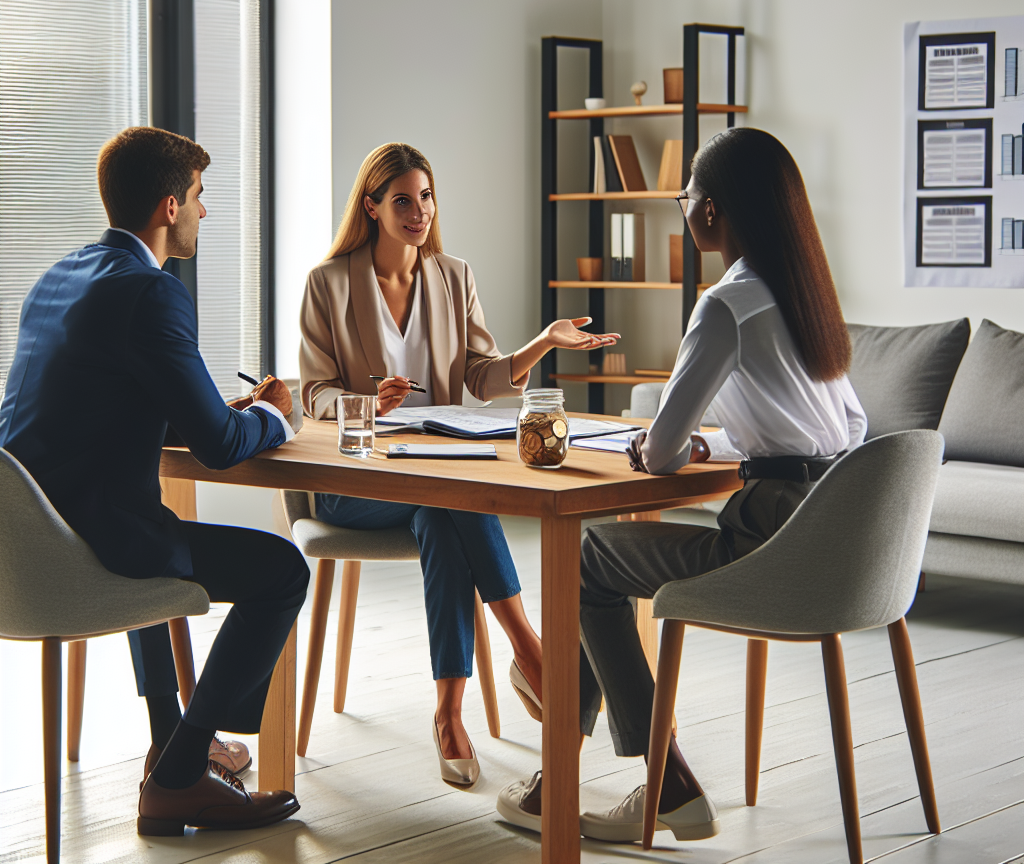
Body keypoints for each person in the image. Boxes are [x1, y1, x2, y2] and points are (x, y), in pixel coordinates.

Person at [496, 127, 867, 842]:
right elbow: (843, 428)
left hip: (768, 538)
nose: (683, 206)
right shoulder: (806, 293)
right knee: (593, 567)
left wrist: (666, 444)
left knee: (581, 558)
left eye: (686, 194)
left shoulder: (724, 305)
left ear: (711, 212)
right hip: (834, 536)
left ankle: (664, 782)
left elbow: (660, 453)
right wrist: (716, 442)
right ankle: (564, 772)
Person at [0, 126, 309, 836]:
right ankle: (179, 774)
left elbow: (98, 403)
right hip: (92, 549)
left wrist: (204, 409)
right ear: (170, 206)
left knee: (150, 521)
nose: (208, 211)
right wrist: (272, 414)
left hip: (23, 550)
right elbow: (223, 445)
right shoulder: (152, 291)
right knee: (282, 569)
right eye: (201, 196)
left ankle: (172, 737)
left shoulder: (60, 276)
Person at [298, 141, 618, 787]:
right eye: (402, 200)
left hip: (435, 476)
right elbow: (312, 393)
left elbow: (481, 375)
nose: (419, 211)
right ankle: (530, 649)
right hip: (353, 478)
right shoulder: (328, 283)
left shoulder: (453, 275)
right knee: (450, 500)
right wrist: (363, 401)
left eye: (426, 197)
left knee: (443, 509)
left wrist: (542, 342)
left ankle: (448, 711)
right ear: (371, 206)